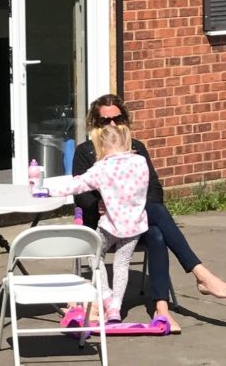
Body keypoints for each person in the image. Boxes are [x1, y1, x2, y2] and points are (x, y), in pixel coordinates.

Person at [71, 94, 226, 329]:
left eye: (117, 119)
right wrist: (97, 204)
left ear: (125, 120)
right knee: (158, 218)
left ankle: (162, 310)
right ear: (95, 124)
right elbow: (80, 195)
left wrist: (135, 203)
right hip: (104, 225)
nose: (112, 125)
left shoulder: (137, 149)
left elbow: (154, 189)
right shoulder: (85, 152)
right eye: (104, 121)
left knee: (157, 233)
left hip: (134, 223)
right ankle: (201, 274)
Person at [50, 123, 149, 325]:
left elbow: (77, 185)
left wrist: (48, 190)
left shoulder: (102, 168)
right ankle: (116, 308)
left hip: (110, 225)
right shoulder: (140, 162)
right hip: (135, 225)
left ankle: (105, 296)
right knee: (122, 264)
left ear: (102, 147)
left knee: (94, 254)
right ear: (125, 142)